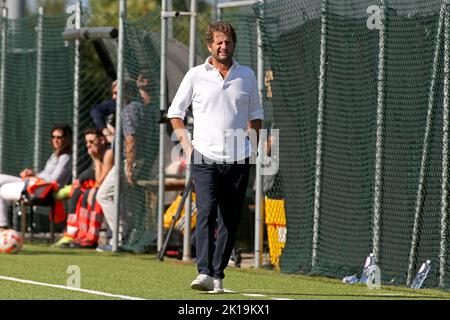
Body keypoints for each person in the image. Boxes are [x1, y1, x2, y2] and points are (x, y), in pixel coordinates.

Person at [167, 22, 264, 294]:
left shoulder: (247, 75)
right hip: (204, 156)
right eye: (219, 42)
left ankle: (219, 274)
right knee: (207, 211)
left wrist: (252, 148)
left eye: (228, 42)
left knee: (230, 219)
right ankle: (204, 272)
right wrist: (187, 146)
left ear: (234, 45)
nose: (224, 46)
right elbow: (175, 113)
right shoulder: (195, 75)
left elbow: (256, 115)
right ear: (210, 45)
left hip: (239, 158)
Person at [96, 74, 158, 251]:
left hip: (130, 161)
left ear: (129, 92)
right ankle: (131, 236)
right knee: (130, 202)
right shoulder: (144, 108)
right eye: (113, 94)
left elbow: (131, 139)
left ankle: (119, 236)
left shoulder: (129, 109)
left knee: (104, 194)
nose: (114, 98)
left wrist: (129, 166)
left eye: (118, 93)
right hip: (144, 161)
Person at [0, 124, 73, 230]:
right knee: (1, 190)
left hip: (45, 189)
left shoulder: (66, 157)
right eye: (53, 137)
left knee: (1, 179)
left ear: (66, 139)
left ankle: (3, 226)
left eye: (59, 137)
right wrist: (33, 173)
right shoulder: (54, 155)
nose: (55, 140)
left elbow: (54, 179)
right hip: (36, 184)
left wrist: (35, 176)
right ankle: (2, 226)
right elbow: (45, 174)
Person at [54, 128, 113, 248]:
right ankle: (79, 234)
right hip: (102, 187)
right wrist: (96, 160)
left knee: (91, 195)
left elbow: (102, 179)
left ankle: (91, 237)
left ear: (102, 140)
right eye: (87, 143)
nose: (88, 145)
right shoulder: (98, 155)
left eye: (92, 142)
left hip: (116, 190)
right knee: (79, 193)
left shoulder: (109, 153)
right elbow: (98, 179)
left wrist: (96, 161)